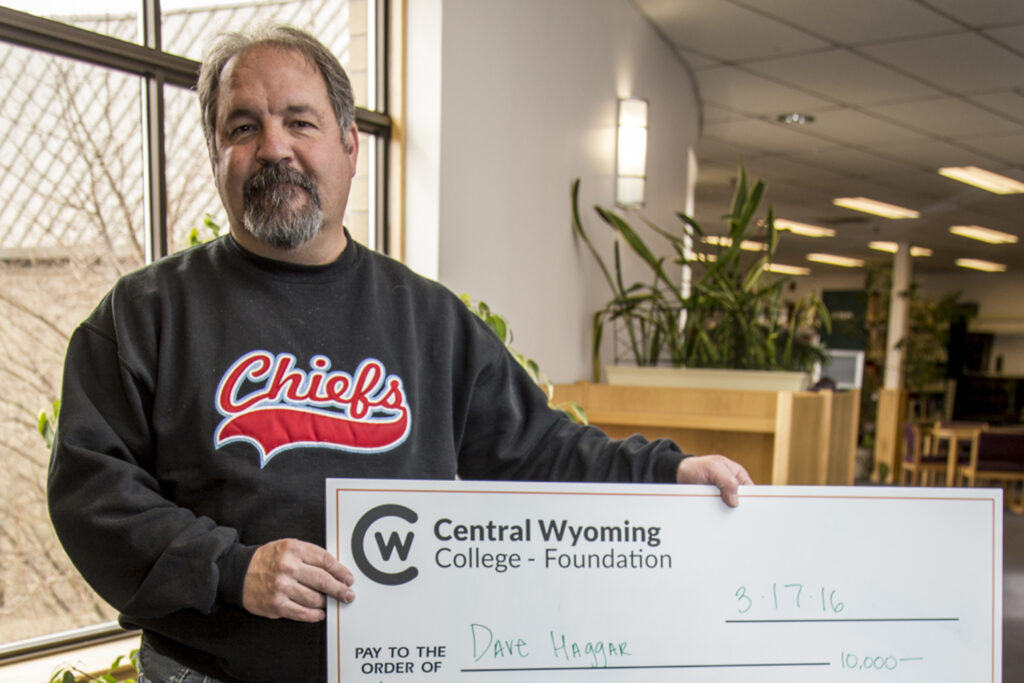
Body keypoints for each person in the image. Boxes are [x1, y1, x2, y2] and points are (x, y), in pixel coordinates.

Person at [47, 25, 752, 683]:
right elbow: (91, 493)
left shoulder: (429, 319)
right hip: (204, 671)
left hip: (393, 667)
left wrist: (666, 472)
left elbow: (538, 450)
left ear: (351, 145)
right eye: (243, 127)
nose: (273, 148)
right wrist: (232, 568)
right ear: (215, 155)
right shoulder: (143, 315)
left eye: (299, 120)